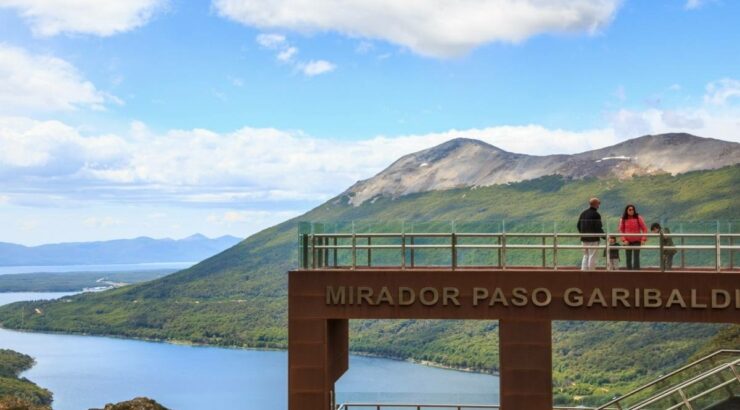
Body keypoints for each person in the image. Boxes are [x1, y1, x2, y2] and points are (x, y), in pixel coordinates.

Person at [577, 197, 605, 271]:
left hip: (584, 238)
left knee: (585, 255)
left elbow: (578, 225)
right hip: (593, 239)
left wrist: (582, 233)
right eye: (599, 203)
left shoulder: (583, 213)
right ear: (596, 204)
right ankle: (591, 272)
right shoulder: (596, 215)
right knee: (592, 256)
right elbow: (598, 228)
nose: (599, 205)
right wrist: (605, 237)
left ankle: (583, 270)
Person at [619, 204, 647, 270]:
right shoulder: (623, 219)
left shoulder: (638, 217)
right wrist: (624, 240)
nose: (631, 211)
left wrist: (643, 239)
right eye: (630, 210)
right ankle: (629, 272)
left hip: (637, 241)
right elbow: (621, 230)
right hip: (627, 242)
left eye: (633, 209)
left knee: (636, 257)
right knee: (628, 257)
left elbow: (644, 229)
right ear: (627, 210)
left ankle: (636, 271)